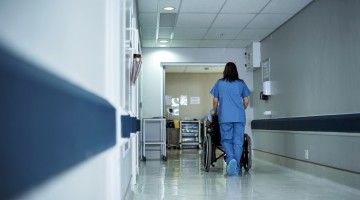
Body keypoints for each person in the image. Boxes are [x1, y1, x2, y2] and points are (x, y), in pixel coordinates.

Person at [210, 62, 250, 176]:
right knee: (238, 142)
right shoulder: (241, 83)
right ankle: (236, 167)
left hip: (225, 116)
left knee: (226, 140)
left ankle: (231, 159)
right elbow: (246, 101)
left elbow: (215, 101)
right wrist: (240, 109)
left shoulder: (219, 83)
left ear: (225, 71)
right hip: (239, 117)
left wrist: (215, 110)